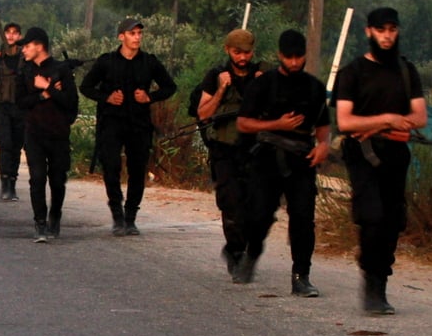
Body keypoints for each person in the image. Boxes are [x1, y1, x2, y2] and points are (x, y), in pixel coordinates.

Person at [333, 6, 428, 315]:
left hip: (396, 155)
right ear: (369, 32)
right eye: (381, 30)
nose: (387, 36)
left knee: (391, 221)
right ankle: (371, 285)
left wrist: (378, 124)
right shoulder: (352, 72)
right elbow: (345, 123)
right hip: (362, 155)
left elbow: (420, 117)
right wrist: (388, 118)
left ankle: (380, 284)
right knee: (371, 215)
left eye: (392, 30)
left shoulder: (405, 70)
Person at [233, 29, 329, 295]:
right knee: (259, 215)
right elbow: (243, 122)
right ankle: (251, 255)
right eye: (290, 57)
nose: (295, 62)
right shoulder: (263, 84)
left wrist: (323, 145)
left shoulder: (314, 87)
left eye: (299, 57)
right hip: (267, 157)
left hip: (302, 159)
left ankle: (301, 276)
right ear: (279, 55)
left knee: (302, 219)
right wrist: (277, 124)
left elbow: (322, 124)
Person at [81, 17, 177, 235]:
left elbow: (170, 87)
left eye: (139, 34)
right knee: (111, 166)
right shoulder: (106, 61)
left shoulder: (149, 62)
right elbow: (86, 86)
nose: (137, 38)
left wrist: (149, 97)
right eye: (132, 33)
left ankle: (131, 217)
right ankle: (117, 214)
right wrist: (106, 97)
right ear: (121, 36)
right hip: (112, 122)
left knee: (137, 169)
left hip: (139, 123)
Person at [193, 29, 262, 276]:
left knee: (254, 206)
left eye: (247, 53)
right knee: (231, 203)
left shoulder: (262, 74)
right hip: (224, 151)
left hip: (255, 150)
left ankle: (239, 247)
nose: (242, 58)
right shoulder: (215, 76)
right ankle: (235, 251)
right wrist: (221, 90)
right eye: (237, 52)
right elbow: (203, 114)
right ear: (227, 50)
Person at [14, 28, 78, 241]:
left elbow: (71, 104)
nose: (23, 50)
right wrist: (42, 95)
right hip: (34, 134)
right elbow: (20, 103)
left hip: (58, 134)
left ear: (39, 45)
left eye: (27, 45)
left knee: (58, 180)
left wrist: (50, 88)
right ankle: (40, 222)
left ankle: (55, 216)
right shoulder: (24, 72)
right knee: (37, 178)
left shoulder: (62, 70)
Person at [0, 21, 25, 199]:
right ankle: (5, 185)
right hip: (2, 106)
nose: (10, 35)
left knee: (16, 145)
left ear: (20, 36)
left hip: (20, 106)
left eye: (14, 33)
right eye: (7, 32)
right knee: (5, 144)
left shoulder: (25, 56)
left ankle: (12, 183)